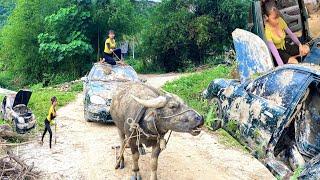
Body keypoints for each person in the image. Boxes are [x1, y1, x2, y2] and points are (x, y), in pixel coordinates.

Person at [263, 2, 310, 66]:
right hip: (279, 52)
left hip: (285, 45)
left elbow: (291, 34)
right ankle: (291, 59)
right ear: (266, 17)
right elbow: (275, 52)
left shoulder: (280, 20)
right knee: (294, 63)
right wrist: (281, 65)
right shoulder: (267, 32)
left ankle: (293, 57)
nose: (277, 21)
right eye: (274, 18)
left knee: (306, 49)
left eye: (278, 17)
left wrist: (299, 45)